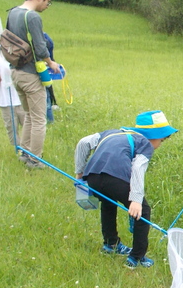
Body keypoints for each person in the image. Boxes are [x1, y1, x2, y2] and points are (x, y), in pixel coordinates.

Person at [75, 110, 177, 269]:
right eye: (161, 140)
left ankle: (111, 244)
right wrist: (136, 200)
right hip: (114, 178)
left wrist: (79, 175)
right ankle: (136, 257)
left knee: (108, 204)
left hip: (93, 177)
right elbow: (137, 168)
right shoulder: (145, 144)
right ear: (153, 136)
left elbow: (83, 143)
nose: (160, 144)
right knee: (143, 210)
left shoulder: (111, 133)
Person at [6, 0, 59, 169]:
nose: (47, 5)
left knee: (28, 115)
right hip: (31, 74)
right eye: (48, 1)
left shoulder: (12, 12)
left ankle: (24, 152)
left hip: (15, 72)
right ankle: (36, 160)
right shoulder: (32, 17)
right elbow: (40, 46)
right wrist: (51, 63)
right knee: (39, 119)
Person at [0, 47, 25, 146]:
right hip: (5, 102)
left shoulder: (19, 59)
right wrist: (2, 75)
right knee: (12, 128)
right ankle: (19, 150)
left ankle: (30, 149)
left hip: (21, 100)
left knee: (27, 125)